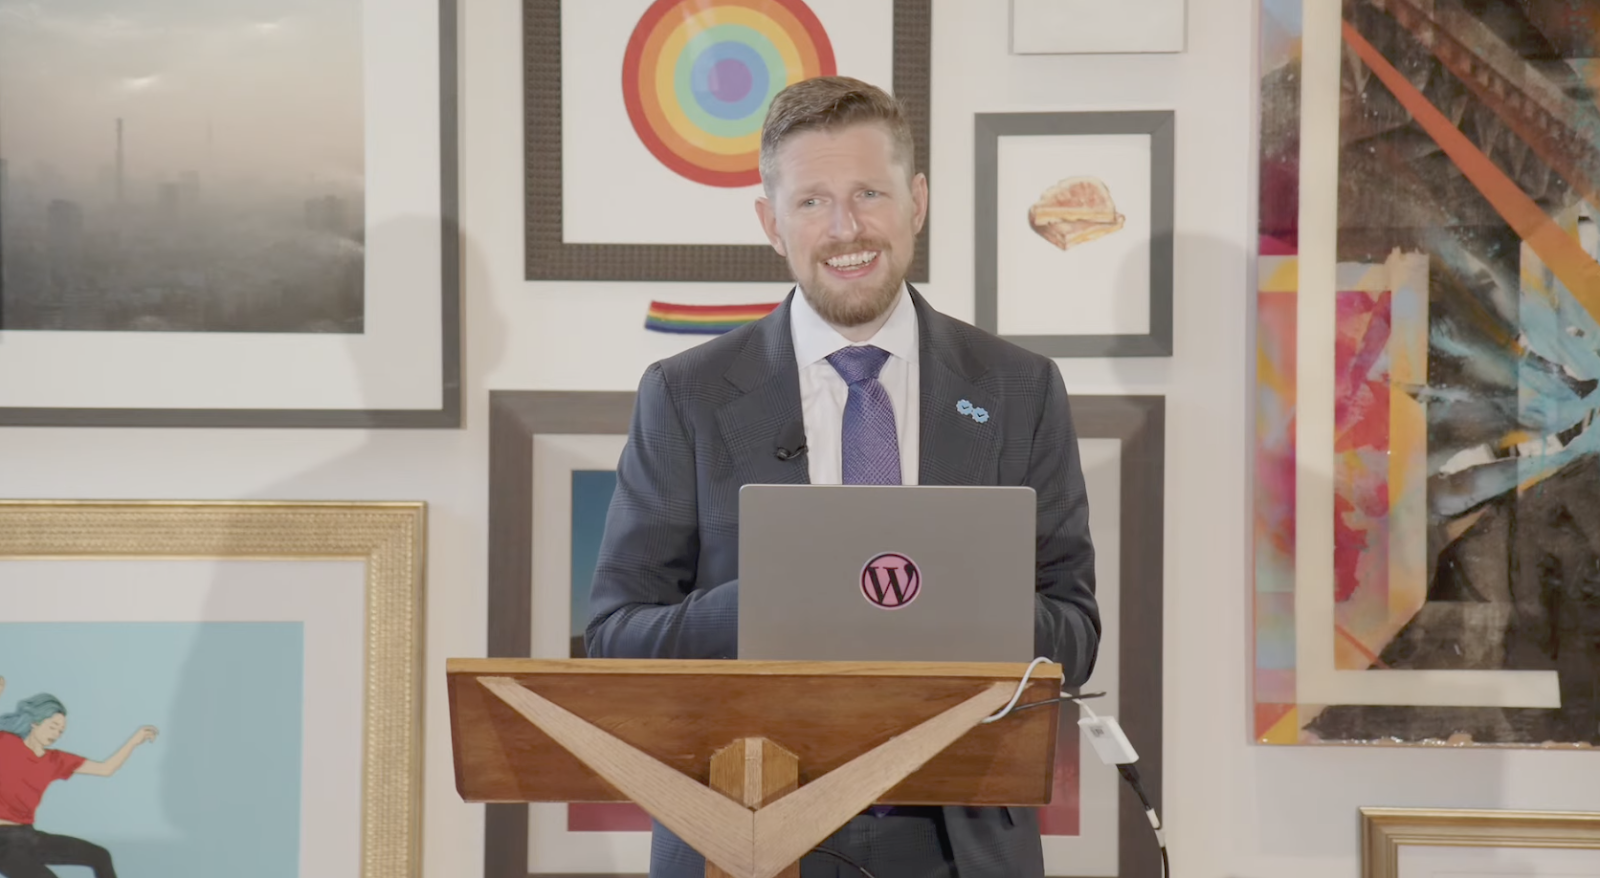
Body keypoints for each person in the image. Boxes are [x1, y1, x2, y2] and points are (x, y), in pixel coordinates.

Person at [585, 76, 1100, 878]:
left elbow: (1075, 631)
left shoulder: (1018, 389)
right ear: (771, 224)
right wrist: (769, 605)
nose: (846, 228)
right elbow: (615, 640)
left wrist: (954, 601)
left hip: (958, 843)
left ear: (917, 201)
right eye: (812, 202)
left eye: (869, 193)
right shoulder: (684, 395)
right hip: (745, 832)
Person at [0, 677, 159, 878]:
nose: (56, 733)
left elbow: (105, 769)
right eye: (52, 726)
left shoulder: (56, 760)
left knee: (100, 855)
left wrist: (134, 741)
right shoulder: (6, 743)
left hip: (29, 836)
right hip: (2, 844)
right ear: (35, 722)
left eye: (61, 730)